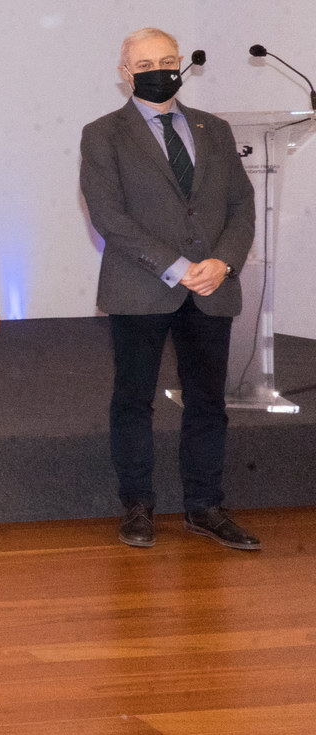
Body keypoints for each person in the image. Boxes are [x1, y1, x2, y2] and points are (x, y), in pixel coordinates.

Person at [79, 28, 259, 551]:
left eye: (166, 60)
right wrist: (177, 266)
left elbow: (241, 205)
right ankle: (138, 505)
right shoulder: (104, 133)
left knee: (208, 402)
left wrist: (223, 261)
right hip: (141, 287)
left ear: (181, 63)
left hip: (212, 287)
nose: (158, 70)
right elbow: (109, 215)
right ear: (125, 73)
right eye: (144, 64)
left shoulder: (215, 129)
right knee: (133, 401)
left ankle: (205, 506)